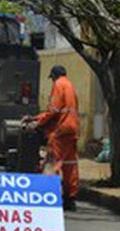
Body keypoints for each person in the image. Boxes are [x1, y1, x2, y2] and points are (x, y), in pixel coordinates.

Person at [24, 65, 80, 211]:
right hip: (73, 128)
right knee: (70, 164)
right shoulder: (70, 85)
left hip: (61, 129)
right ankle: (71, 198)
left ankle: (51, 195)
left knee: (53, 161)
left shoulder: (58, 85)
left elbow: (53, 110)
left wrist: (37, 122)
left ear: (54, 76)